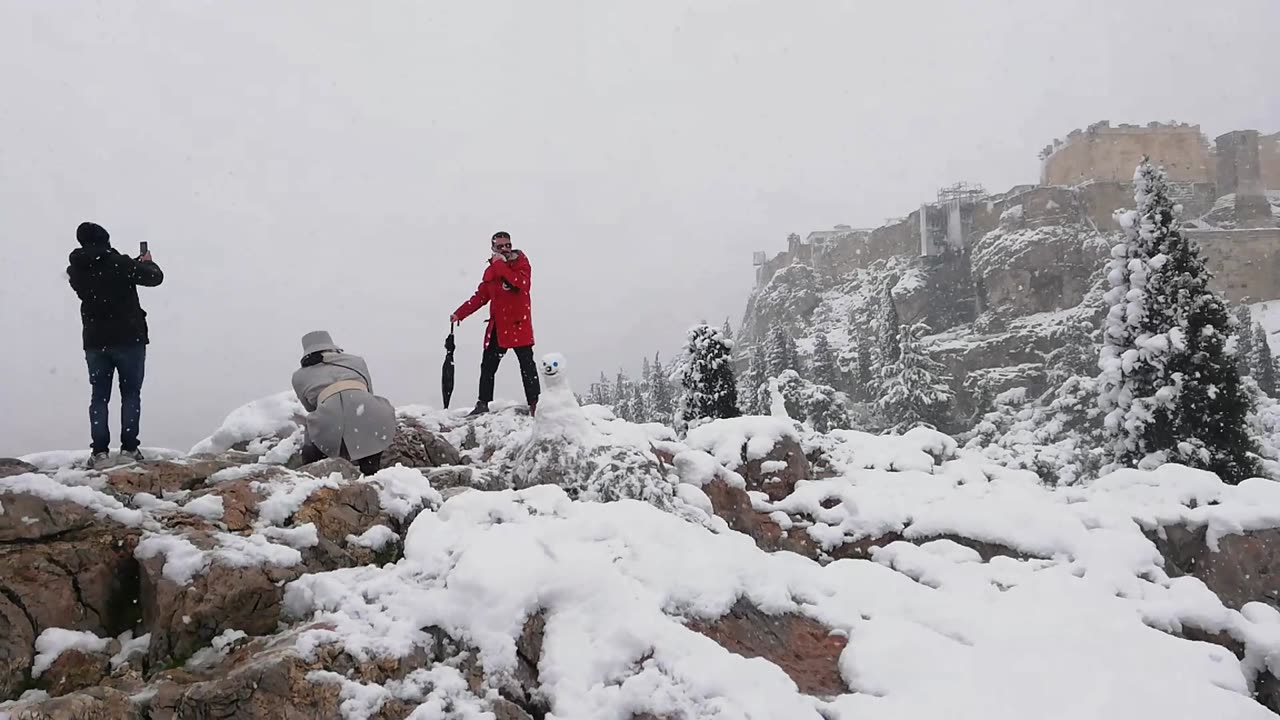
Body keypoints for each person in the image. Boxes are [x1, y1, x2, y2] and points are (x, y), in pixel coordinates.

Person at [67, 221, 164, 469]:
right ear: (105, 239)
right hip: (128, 339)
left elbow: (103, 277)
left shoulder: (77, 270)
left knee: (99, 396)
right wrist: (146, 263)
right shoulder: (120, 265)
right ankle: (129, 449)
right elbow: (155, 278)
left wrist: (130, 264)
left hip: (95, 342)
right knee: (130, 394)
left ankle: (99, 453)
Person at [450, 231, 540, 416]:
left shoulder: (521, 263)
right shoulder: (491, 271)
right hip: (499, 327)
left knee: (527, 366)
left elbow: (522, 284)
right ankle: (482, 404)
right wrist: (459, 314)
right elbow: (480, 297)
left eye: (508, 245)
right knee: (488, 366)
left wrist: (500, 266)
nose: (505, 249)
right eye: (500, 246)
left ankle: (535, 404)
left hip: (519, 325)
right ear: (493, 248)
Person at [290, 331, 396, 476]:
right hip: (367, 411)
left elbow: (309, 407)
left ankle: (313, 479)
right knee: (371, 464)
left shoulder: (299, 376)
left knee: (314, 457)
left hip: (329, 419)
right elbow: (368, 390)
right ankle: (371, 473)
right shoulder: (356, 361)